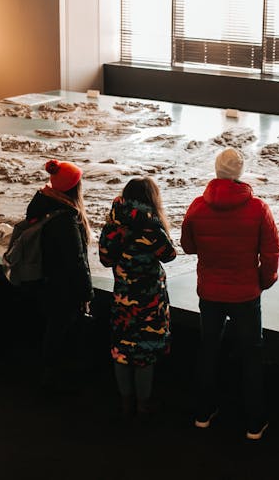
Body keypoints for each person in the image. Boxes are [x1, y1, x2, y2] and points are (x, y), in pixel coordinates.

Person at [180, 147, 279, 441]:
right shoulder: (258, 208)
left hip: (209, 292)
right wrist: (263, 281)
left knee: (208, 352)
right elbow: (271, 251)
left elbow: (188, 246)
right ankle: (254, 423)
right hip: (246, 294)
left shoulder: (198, 206)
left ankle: (203, 414)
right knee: (251, 357)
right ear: (240, 172)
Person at [99, 177, 176, 419]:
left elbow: (105, 259)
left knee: (122, 349)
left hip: (123, 297)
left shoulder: (113, 226)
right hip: (150, 299)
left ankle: (125, 402)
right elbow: (170, 255)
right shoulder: (151, 227)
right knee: (146, 352)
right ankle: (143, 404)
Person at [23, 159, 94, 391]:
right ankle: (53, 376)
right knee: (59, 328)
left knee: (52, 326)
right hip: (62, 286)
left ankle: (48, 370)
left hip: (42, 278)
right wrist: (87, 293)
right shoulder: (66, 220)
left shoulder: (42, 203)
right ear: (74, 188)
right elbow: (76, 261)